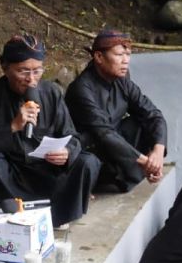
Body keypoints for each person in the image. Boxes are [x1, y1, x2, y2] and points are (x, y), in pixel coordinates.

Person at [0, 34, 100, 226]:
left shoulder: (51, 92)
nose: (31, 79)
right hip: (8, 172)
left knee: (88, 162)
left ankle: (56, 218)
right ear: (5, 68)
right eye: (23, 71)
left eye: (37, 71)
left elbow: (71, 136)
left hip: (46, 170)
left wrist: (67, 152)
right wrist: (12, 127)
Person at [65, 29, 168, 192]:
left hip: (116, 147)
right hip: (93, 151)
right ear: (99, 57)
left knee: (140, 123)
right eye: (119, 55)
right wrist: (145, 162)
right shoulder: (81, 89)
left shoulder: (123, 81)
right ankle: (122, 177)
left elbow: (153, 115)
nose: (125, 61)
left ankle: (136, 173)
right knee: (101, 141)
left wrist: (157, 153)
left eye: (128, 55)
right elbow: (103, 133)